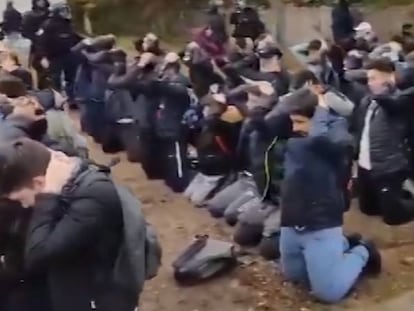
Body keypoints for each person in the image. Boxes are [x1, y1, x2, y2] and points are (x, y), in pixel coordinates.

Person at [0, 138, 137, 311]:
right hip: (67, 286)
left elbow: (39, 253)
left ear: (39, 183)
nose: (25, 205)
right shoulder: (68, 187)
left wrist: (47, 196)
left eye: (21, 198)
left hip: (96, 297)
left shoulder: (94, 195)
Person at [279, 87, 381, 304]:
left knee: (327, 292)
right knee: (295, 276)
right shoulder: (304, 134)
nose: (295, 129)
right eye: (293, 122)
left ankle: (364, 251)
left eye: (300, 122)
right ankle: (343, 245)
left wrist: (321, 113)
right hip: (293, 218)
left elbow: (328, 145)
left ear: (318, 117)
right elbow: (267, 121)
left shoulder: (337, 133)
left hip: (320, 221)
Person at [355, 58, 414, 225]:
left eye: (374, 78)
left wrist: (385, 92)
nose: (369, 83)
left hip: (387, 166)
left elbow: (391, 104)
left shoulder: (400, 102)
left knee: (393, 218)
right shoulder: (367, 101)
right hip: (366, 165)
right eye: (368, 79)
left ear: (388, 77)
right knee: (367, 209)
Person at [36, 2, 82, 102]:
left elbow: (74, 37)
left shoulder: (68, 24)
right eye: (63, 11)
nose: (66, 13)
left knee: (72, 78)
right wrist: (43, 57)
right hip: (54, 56)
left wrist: (88, 42)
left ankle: (72, 99)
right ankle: (57, 99)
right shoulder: (47, 25)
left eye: (66, 11)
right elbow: (40, 42)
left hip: (69, 54)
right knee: (55, 79)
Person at [21, 0, 51, 89]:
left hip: (51, 45)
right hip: (36, 45)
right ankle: (40, 87)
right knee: (37, 67)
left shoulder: (50, 14)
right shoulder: (29, 16)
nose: (41, 2)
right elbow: (26, 32)